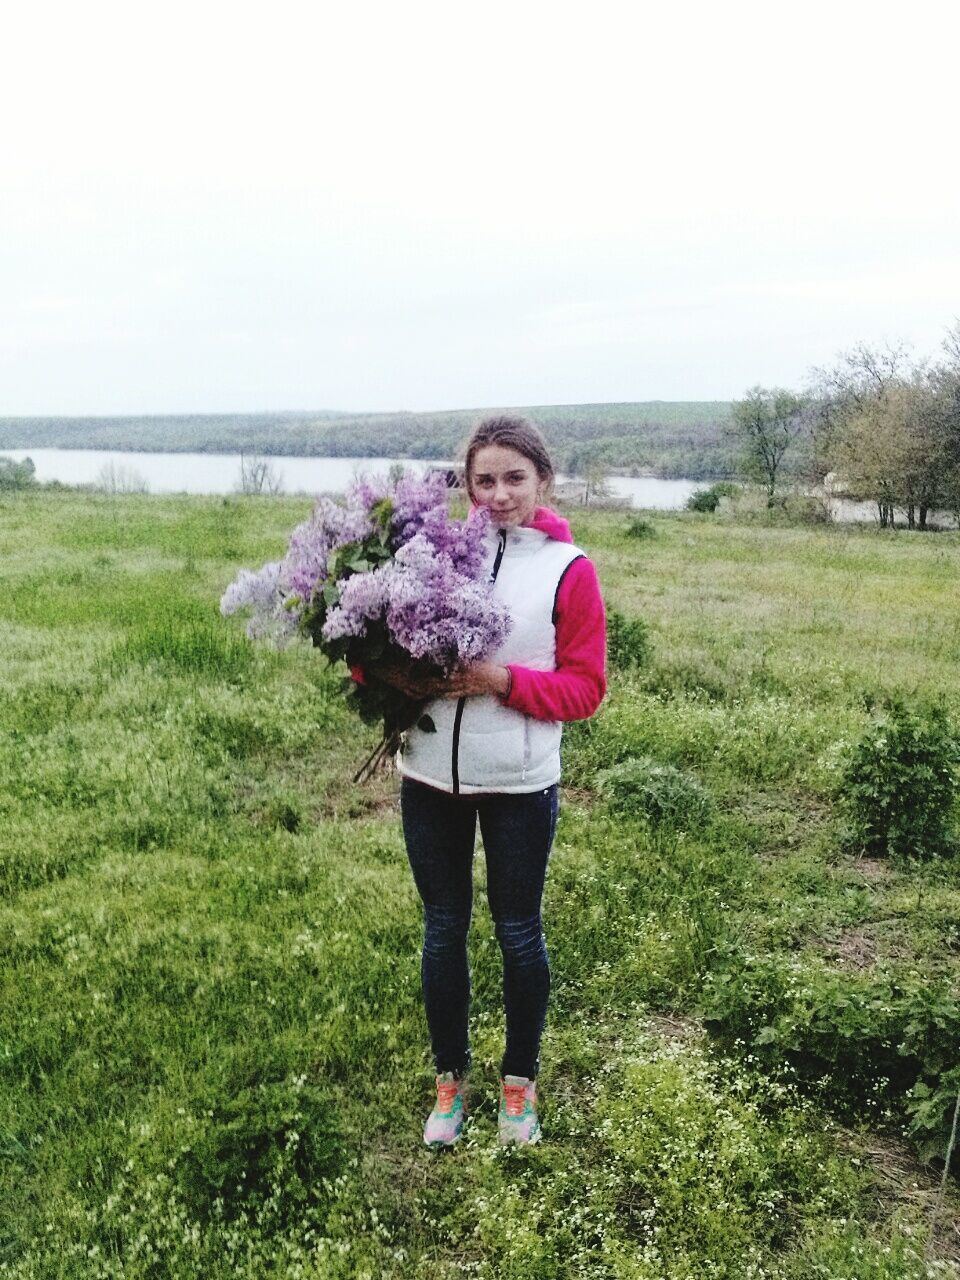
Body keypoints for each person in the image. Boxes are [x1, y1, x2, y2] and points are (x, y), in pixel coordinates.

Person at [381, 414, 606, 1146]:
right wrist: (394, 670)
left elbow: (585, 689)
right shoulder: (435, 556)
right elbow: (370, 651)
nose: (500, 494)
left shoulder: (570, 570)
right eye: (485, 480)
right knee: (443, 930)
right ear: (466, 485)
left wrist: (499, 680)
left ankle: (519, 1086)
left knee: (518, 933)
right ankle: (450, 1085)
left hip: (520, 785)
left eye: (515, 478)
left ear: (543, 480)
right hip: (428, 780)